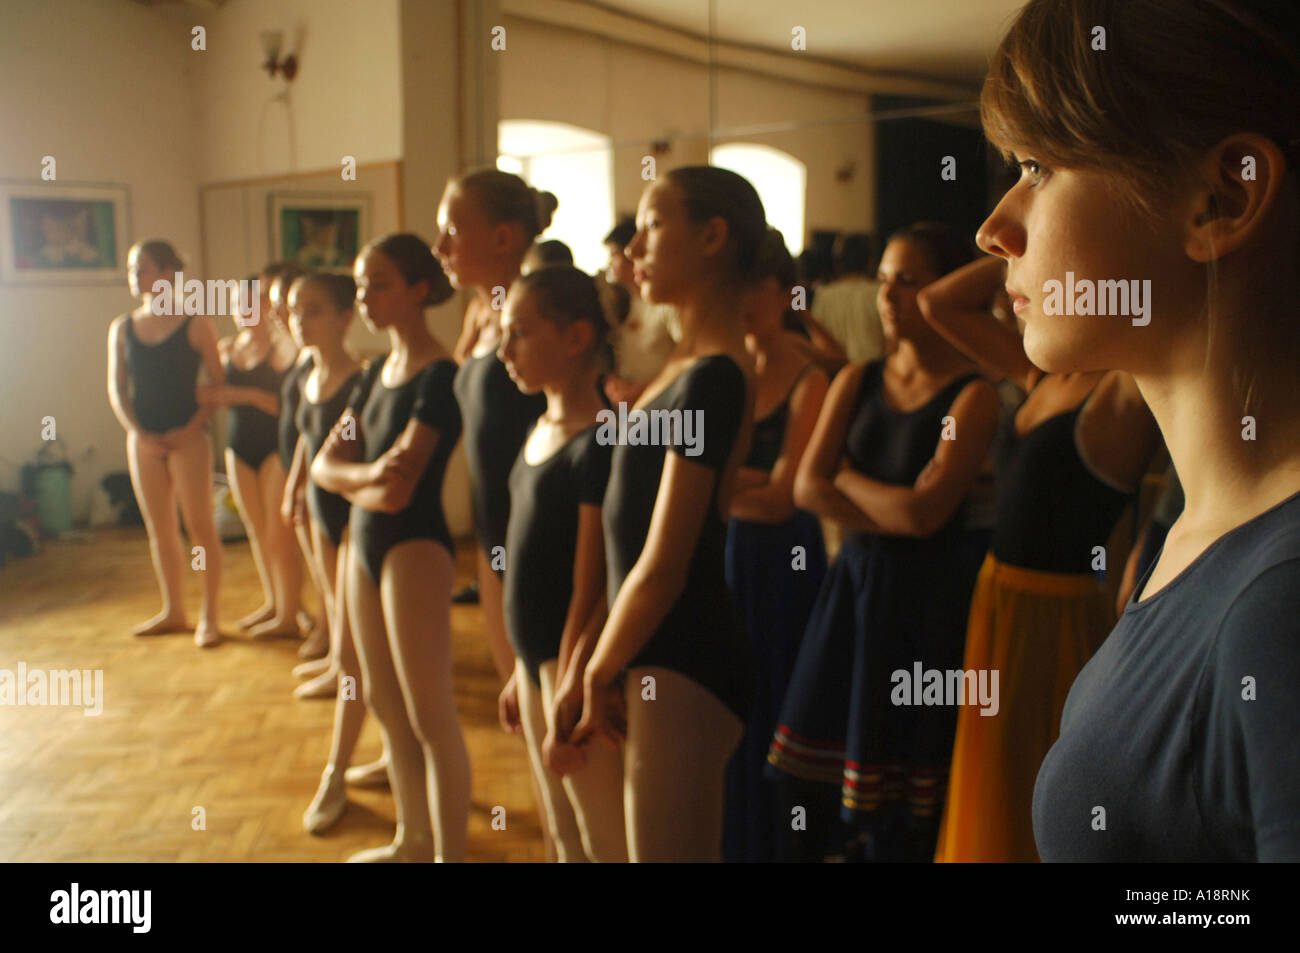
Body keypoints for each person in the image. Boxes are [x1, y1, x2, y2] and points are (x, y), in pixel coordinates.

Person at [980, 0, 1300, 862]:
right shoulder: (1191, 534)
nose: (995, 227)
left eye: (1040, 167)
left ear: (1220, 198)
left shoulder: (1281, 601)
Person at [767, 223, 1000, 862]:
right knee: (812, 772)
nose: (889, 297)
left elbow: (927, 515)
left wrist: (845, 475)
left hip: (929, 599)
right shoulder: (859, 379)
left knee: (909, 783)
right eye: (884, 280)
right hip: (854, 588)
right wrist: (874, 496)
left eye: (908, 281)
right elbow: (808, 489)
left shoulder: (973, 395)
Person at [917, 253, 1159, 863]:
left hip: (1056, 616)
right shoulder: (1042, 375)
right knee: (985, 771)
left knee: (1030, 781)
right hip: (995, 596)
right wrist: (1019, 250)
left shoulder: (1125, 385)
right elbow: (938, 303)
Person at [561, 166, 763, 862]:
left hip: (683, 655)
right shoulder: (681, 367)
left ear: (712, 236)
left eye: (651, 225)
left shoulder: (715, 376)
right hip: (646, 645)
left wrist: (598, 666)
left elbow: (664, 565)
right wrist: (591, 649)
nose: (633, 247)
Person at [311, 234, 470, 861]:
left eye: (378, 284)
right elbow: (328, 461)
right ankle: (412, 838)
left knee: (430, 711)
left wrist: (359, 479)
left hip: (415, 550)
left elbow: (404, 484)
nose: (364, 297)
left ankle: (449, 853)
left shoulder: (441, 376)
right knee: (381, 699)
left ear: (418, 291)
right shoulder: (374, 373)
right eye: (359, 285)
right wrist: (364, 480)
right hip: (363, 545)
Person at [494, 266, 627, 862]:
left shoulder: (601, 441)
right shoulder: (539, 427)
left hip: (569, 664)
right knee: (563, 830)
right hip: (535, 661)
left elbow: (591, 586)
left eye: (519, 332)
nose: (504, 349)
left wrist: (569, 683)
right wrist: (519, 672)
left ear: (575, 338)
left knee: (602, 834)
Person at [723, 228, 830, 862]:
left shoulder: (808, 375)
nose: (744, 300)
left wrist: (715, 483)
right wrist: (748, 482)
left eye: (757, 287)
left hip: (784, 558)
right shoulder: (726, 364)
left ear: (785, 293)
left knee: (772, 697)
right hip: (734, 548)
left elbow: (785, 496)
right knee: (729, 701)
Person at [107, 239, 224, 647]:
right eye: (131, 269)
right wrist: (139, 433)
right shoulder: (122, 328)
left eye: (142, 268)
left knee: (200, 527)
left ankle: (210, 615)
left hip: (188, 438)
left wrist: (191, 429)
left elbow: (217, 384)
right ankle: (174, 610)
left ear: (168, 272)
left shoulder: (195, 323)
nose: (135, 277)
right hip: (144, 440)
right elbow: (117, 389)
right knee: (160, 530)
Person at [201, 266, 301, 638]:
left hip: (274, 447)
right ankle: (275, 603)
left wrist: (243, 396)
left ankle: (291, 614)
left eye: (252, 301)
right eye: (237, 302)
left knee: (278, 532)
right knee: (256, 530)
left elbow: (281, 407)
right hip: (238, 447)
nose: (244, 308)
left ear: (266, 305)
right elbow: (210, 395)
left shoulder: (282, 349)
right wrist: (241, 397)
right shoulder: (228, 349)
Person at [600, 215, 675, 407]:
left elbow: (682, 362)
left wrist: (644, 390)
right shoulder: (620, 303)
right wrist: (613, 383)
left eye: (613, 254)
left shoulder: (666, 305)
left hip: (664, 404)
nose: (609, 263)